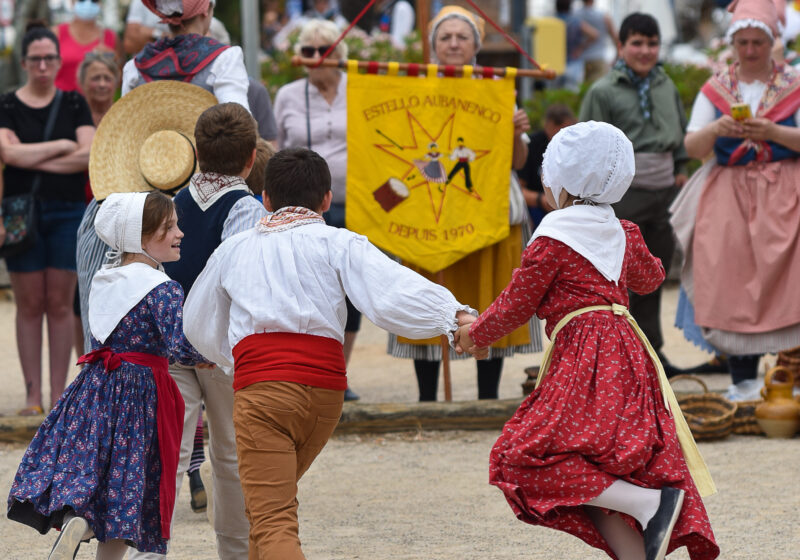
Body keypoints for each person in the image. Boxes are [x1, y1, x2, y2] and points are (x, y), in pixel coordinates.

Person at [183, 147, 480, 560]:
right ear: (326, 199)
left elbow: (196, 323)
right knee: (269, 511)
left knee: (272, 520)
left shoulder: (234, 249)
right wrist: (455, 317)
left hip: (264, 392)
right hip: (325, 395)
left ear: (264, 199)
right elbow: (391, 289)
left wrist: (235, 360)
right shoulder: (339, 242)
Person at [455, 121, 719, 560]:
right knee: (602, 467)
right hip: (629, 354)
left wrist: (473, 335)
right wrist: (625, 246)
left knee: (519, 458)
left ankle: (648, 503)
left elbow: (516, 304)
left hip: (584, 356)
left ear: (563, 181)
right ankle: (641, 529)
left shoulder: (553, 238)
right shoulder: (623, 231)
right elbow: (651, 278)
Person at [7, 191, 209, 560]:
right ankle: (95, 539)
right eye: (169, 227)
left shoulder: (106, 278)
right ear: (140, 237)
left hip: (96, 388)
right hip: (144, 395)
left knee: (100, 474)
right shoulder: (164, 290)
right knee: (129, 488)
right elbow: (179, 347)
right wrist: (212, 356)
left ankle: (80, 522)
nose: (180, 233)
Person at [130, 102, 267, 560]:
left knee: (166, 451)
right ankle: (234, 551)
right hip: (223, 348)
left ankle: (149, 551)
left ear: (194, 150)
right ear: (251, 157)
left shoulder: (172, 202)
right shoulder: (245, 207)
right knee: (230, 457)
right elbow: (236, 280)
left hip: (169, 344)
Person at [387, 5, 541, 402]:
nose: (454, 43)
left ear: (475, 44)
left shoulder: (497, 87)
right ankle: (427, 398)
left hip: (488, 211)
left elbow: (518, 164)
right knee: (428, 301)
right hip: (432, 208)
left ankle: (487, 397)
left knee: (490, 300)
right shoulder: (414, 87)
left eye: (462, 36)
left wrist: (515, 133)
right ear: (433, 44)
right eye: (445, 37)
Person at [671, 0, 800, 399]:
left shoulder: (793, 83)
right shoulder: (717, 88)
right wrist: (717, 128)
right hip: (729, 192)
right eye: (742, 41)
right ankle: (742, 378)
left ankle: (790, 377)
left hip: (786, 190)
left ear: (771, 40)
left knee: (790, 279)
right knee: (730, 277)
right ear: (732, 43)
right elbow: (692, 146)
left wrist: (773, 132)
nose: (749, 50)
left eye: (757, 41)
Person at [579, 12, 688, 377]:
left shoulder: (666, 86)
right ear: (621, 46)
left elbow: (680, 137)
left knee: (655, 278)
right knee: (620, 285)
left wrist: (682, 170)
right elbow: (589, 148)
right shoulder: (603, 91)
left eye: (652, 43)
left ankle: (653, 355)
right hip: (623, 199)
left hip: (665, 196)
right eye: (636, 43)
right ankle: (622, 363)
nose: (645, 50)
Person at [0, 23, 94, 416]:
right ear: (24, 62)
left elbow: (88, 155)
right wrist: (60, 146)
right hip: (21, 213)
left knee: (59, 303)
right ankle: (32, 395)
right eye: (35, 58)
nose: (42, 65)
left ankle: (58, 395)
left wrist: (30, 153)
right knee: (28, 303)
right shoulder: (7, 104)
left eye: (49, 58)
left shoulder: (74, 103)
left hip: (67, 210)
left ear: (58, 61)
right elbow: (8, 156)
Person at [274, 19, 362, 400]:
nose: (311, 58)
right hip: (303, 207)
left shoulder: (359, 90)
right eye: (306, 51)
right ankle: (308, 371)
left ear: (338, 56)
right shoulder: (289, 95)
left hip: (355, 202)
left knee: (350, 290)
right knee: (307, 290)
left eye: (320, 51)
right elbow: (276, 148)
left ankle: (338, 374)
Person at [70, 49, 120, 358]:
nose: (101, 84)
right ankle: (84, 361)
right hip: (77, 206)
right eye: (95, 78)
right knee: (79, 296)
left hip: (113, 211)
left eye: (107, 77)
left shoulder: (125, 117)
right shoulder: (72, 117)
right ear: (82, 82)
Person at [122, 0, 250, 112]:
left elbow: (127, 125)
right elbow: (238, 122)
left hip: (154, 140)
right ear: (206, 10)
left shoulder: (135, 66)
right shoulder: (225, 59)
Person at [517, 103, 576, 229]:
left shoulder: (579, 145)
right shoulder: (531, 146)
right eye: (554, 137)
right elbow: (519, 189)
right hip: (538, 210)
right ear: (547, 127)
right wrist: (541, 200)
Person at [52, 0, 116, 92]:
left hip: (96, 104)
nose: (88, 3)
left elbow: (120, 80)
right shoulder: (56, 34)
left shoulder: (110, 37)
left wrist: (115, 61)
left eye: (94, 0)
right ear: (72, 2)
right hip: (60, 102)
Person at [553, 0, 598, 92]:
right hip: (573, 62)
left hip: (554, 63)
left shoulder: (551, 22)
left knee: (553, 95)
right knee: (572, 95)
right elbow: (594, 34)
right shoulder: (576, 22)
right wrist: (580, 48)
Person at [576, 0, 618, 83]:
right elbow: (615, 38)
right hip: (598, 59)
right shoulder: (604, 16)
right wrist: (616, 57)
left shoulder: (575, 15)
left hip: (579, 61)